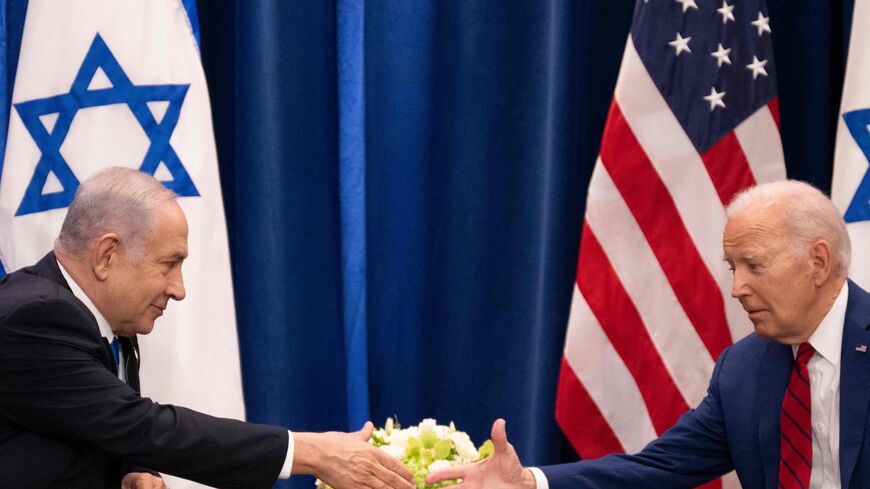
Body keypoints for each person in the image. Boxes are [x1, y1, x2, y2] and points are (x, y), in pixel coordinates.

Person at [428, 179, 870, 489]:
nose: (737, 288)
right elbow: (658, 467)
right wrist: (531, 482)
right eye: (732, 268)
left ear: (818, 262)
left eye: (754, 265)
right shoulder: (744, 370)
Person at [0, 168, 415, 489]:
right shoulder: (33, 318)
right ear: (108, 255)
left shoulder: (99, 319)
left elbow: (94, 419)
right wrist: (309, 452)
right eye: (168, 264)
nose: (178, 290)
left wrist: (134, 468)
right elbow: (140, 425)